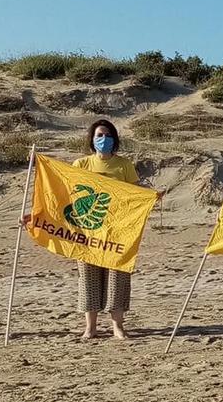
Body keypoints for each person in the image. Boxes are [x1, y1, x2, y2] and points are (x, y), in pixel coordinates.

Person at [65, 119, 162, 340]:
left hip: (118, 230)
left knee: (117, 278)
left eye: (108, 136)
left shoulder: (123, 165)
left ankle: (118, 326)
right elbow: (66, 192)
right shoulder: (81, 165)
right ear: (91, 139)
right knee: (88, 279)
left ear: (115, 139)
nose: (103, 140)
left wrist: (151, 195)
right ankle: (91, 327)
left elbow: (134, 193)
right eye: (99, 135)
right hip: (88, 231)